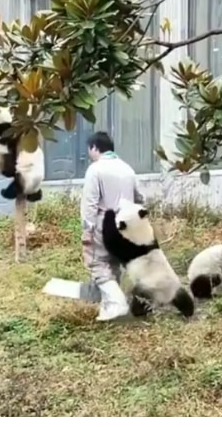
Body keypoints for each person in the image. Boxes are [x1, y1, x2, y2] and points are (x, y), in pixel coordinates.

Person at [81, 131, 145, 321]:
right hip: (127, 223)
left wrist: (87, 230)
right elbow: (140, 198)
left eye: (89, 149)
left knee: (97, 263)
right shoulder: (127, 169)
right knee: (115, 263)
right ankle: (109, 307)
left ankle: (117, 302)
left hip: (104, 222)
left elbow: (90, 203)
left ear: (94, 148)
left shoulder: (96, 169)